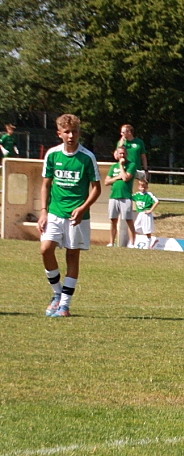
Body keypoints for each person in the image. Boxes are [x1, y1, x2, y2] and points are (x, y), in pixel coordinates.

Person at [38, 114, 100, 317]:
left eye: (74, 131)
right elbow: (46, 185)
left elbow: (96, 188)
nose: (71, 135)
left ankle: (64, 305)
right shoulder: (52, 155)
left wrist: (83, 208)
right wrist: (43, 211)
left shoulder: (87, 157)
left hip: (77, 216)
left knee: (72, 256)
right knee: (45, 250)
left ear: (79, 132)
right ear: (59, 134)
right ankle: (57, 294)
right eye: (67, 132)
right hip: (54, 213)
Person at [104, 146, 136, 247]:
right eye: (120, 153)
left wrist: (121, 166)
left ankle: (132, 243)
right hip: (114, 196)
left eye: (123, 153)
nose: (122, 155)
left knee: (128, 220)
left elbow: (126, 178)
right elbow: (106, 182)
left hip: (125, 196)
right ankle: (111, 242)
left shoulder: (131, 165)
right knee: (113, 220)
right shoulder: (113, 167)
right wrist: (117, 177)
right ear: (117, 155)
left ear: (126, 154)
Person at [131, 175, 159, 248]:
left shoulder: (149, 195)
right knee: (135, 228)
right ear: (138, 187)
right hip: (140, 213)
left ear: (146, 187)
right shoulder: (137, 195)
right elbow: (130, 197)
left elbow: (156, 201)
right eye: (141, 186)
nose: (142, 188)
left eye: (144, 187)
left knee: (147, 230)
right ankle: (133, 243)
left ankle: (148, 245)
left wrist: (150, 210)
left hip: (146, 214)